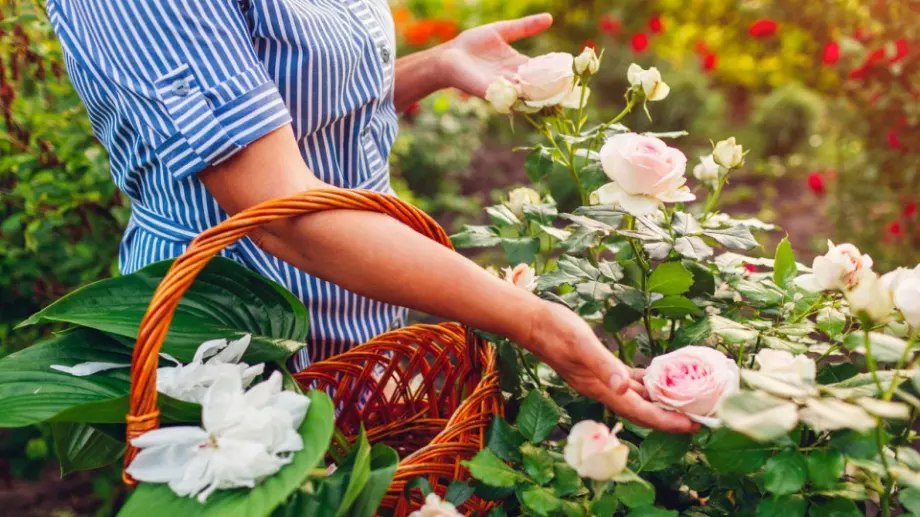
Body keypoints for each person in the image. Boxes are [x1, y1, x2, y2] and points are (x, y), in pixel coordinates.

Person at [47, 0, 696, 433]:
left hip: (365, 307)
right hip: (234, 336)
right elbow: (278, 210)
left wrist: (433, 65)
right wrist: (539, 324)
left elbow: (282, 94)